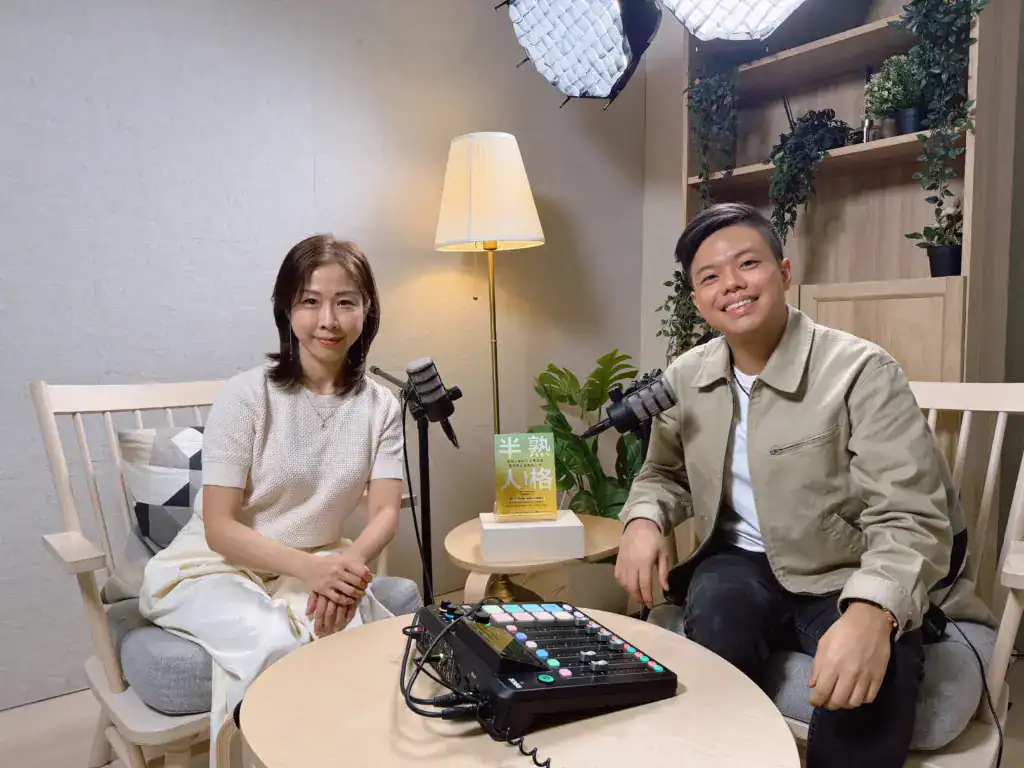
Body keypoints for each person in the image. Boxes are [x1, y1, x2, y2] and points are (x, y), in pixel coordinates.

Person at [615, 203, 956, 768]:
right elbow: (663, 474)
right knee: (716, 621)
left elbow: (911, 515)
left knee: (872, 680)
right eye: (710, 276)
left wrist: (874, 611)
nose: (732, 284)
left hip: (846, 569)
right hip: (740, 563)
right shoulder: (686, 375)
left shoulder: (862, 371)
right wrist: (644, 518)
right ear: (697, 301)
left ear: (784, 272)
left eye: (748, 263)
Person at [139, 235, 413, 766]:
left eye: (345, 302)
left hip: (320, 560)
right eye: (310, 301)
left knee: (350, 646)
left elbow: (384, 512)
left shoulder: (381, 406)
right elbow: (219, 528)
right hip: (213, 566)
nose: (328, 320)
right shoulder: (246, 395)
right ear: (287, 309)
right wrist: (315, 573)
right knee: (271, 640)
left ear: (368, 310)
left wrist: (346, 571)